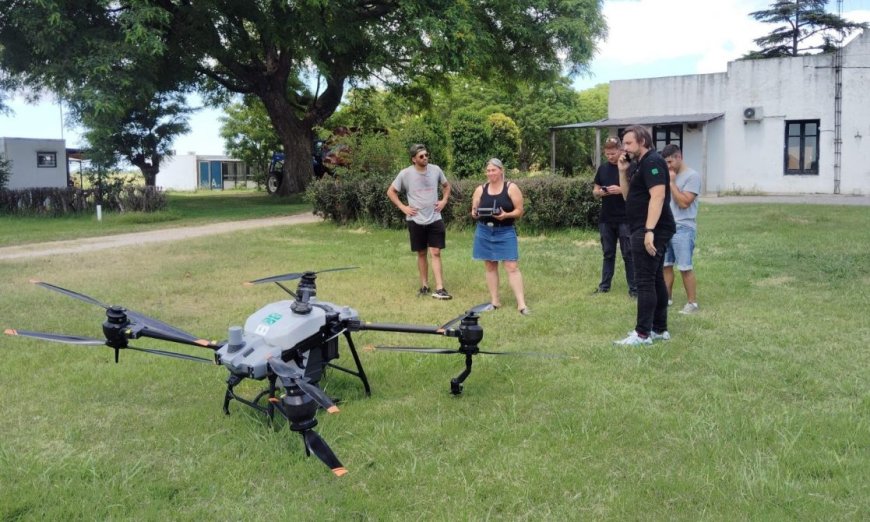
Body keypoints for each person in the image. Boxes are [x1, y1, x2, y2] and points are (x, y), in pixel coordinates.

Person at [613, 125, 676, 346]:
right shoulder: (640, 164)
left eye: (629, 143)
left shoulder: (653, 162)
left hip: (651, 229)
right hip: (645, 227)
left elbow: (658, 197)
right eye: (624, 143)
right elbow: (629, 197)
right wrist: (622, 172)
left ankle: (642, 334)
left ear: (643, 141)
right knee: (656, 278)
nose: (625, 148)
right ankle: (659, 329)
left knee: (644, 281)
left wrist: (649, 230)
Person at [387, 144, 452, 299]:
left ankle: (440, 288)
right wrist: (403, 207)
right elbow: (391, 192)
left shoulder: (436, 170)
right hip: (415, 219)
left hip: (435, 217)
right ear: (414, 159)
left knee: (435, 252)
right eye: (421, 156)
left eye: (426, 155)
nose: (425, 158)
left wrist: (444, 201)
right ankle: (424, 286)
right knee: (421, 253)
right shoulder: (405, 174)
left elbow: (446, 186)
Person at [471, 158, 529, 315]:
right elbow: (474, 211)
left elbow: (519, 211)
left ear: (501, 170)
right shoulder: (480, 189)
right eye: (488, 171)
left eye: (493, 170)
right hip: (484, 231)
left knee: (512, 266)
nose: (490, 173)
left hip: (505, 230)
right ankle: (495, 302)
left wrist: (506, 215)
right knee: (490, 266)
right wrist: (475, 213)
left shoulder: (511, 188)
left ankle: (521, 305)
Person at [593, 136, 636, 297]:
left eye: (613, 153)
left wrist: (621, 190)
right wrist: (601, 192)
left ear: (620, 150)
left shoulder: (628, 167)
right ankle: (604, 287)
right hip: (606, 218)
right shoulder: (602, 169)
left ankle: (634, 289)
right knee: (608, 254)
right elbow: (595, 191)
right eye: (607, 153)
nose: (610, 156)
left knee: (628, 254)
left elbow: (636, 191)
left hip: (625, 218)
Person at [661, 144, 701, 315]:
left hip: (684, 227)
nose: (668, 166)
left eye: (670, 162)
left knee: (684, 267)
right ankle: (666, 299)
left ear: (679, 157)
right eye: (665, 163)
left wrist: (671, 183)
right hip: (666, 226)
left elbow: (684, 202)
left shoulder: (692, 176)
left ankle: (692, 303)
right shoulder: (667, 174)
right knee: (665, 265)